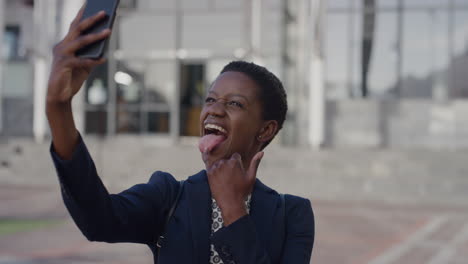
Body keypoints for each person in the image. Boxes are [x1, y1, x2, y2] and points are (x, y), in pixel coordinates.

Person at [47, 6, 314, 264]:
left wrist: (233, 209)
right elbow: (99, 222)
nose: (214, 110)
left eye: (234, 103)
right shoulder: (169, 196)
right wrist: (59, 109)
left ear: (265, 129)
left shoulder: (292, 215)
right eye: (210, 99)